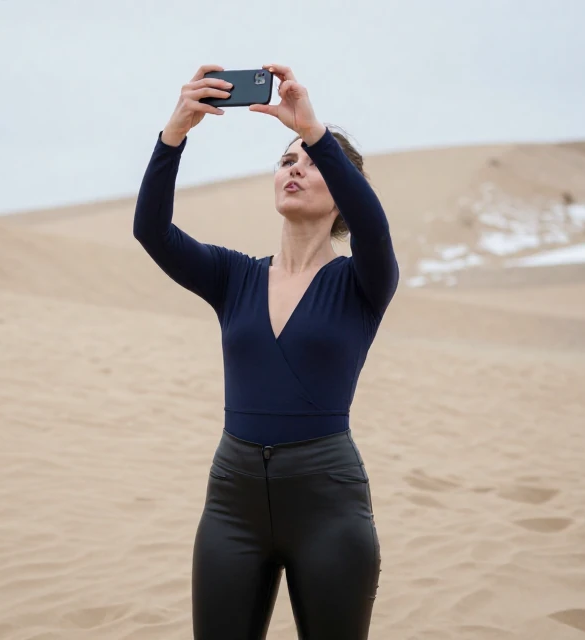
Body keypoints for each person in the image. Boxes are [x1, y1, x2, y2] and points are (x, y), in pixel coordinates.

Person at [132, 63, 399, 639]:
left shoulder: (363, 283)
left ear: (343, 195)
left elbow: (376, 229)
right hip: (233, 503)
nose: (295, 169)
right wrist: (174, 133)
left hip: (327, 504)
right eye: (286, 161)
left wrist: (316, 133)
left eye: (310, 162)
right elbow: (151, 231)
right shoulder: (233, 277)